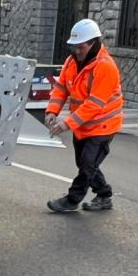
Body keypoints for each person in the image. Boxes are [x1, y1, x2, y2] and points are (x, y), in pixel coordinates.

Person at [44, 19, 125, 213]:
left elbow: (94, 105)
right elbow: (61, 88)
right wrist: (51, 111)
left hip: (103, 125)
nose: (77, 51)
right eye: (74, 47)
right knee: (84, 163)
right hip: (82, 125)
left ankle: (72, 200)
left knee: (88, 164)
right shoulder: (72, 61)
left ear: (94, 43)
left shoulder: (106, 67)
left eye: (81, 47)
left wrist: (66, 124)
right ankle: (104, 195)